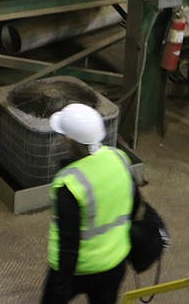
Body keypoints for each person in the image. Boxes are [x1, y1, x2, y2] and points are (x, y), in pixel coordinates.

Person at [42, 102, 138, 304]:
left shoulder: (70, 184)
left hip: (80, 269)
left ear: (68, 138)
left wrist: (61, 288)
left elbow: (69, 244)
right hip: (114, 264)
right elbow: (135, 206)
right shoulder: (119, 159)